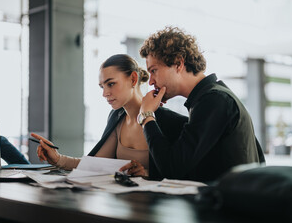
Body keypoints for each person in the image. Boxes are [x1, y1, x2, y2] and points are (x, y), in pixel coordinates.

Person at [138, 26, 265, 182]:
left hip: (231, 203)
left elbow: (172, 169)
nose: (150, 81)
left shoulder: (214, 100)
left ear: (178, 63)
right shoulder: (216, 96)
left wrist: (146, 116)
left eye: (154, 70)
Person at [33, 54, 187, 179]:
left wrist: (147, 174)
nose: (105, 93)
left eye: (111, 84)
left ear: (133, 79)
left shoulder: (171, 122)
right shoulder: (117, 117)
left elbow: (181, 173)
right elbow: (95, 164)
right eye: (102, 86)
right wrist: (57, 159)